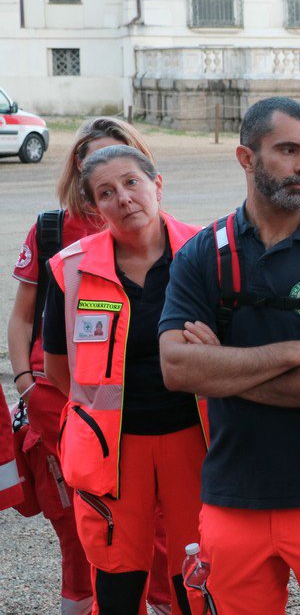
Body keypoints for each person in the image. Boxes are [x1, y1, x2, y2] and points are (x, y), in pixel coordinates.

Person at [159, 97, 300, 614]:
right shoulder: (202, 251)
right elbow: (177, 368)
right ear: (246, 157)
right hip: (232, 494)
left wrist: (222, 372)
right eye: (288, 149)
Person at [7, 116, 164, 615]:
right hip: (62, 407)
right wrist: (27, 384)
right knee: (80, 529)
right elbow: (22, 315)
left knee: (154, 532)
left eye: (121, 157)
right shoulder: (53, 228)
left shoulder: (155, 222)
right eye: (94, 160)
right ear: (79, 169)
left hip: (140, 413)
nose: (111, 173)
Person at [41, 145, 207, 614]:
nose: (124, 198)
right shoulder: (72, 268)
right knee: (117, 573)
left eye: (132, 183)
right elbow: (57, 367)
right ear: (95, 207)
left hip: (193, 438)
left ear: (157, 184)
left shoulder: (204, 252)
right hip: (113, 446)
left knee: (197, 570)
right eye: (107, 192)